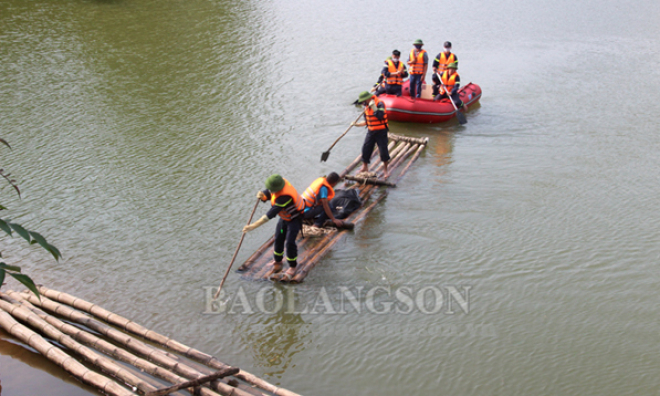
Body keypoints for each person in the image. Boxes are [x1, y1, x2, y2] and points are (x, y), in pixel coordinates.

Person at [243, 174, 305, 280]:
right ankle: (278, 260)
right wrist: (263, 195)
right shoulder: (280, 184)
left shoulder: (284, 197)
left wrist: (253, 226)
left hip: (294, 220)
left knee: (290, 242)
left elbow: (269, 215)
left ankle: (293, 266)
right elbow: (269, 191)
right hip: (284, 218)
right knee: (279, 238)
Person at [353, 91, 390, 177]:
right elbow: (367, 122)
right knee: (366, 148)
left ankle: (385, 170)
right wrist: (356, 124)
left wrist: (374, 107)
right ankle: (365, 167)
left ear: (368, 98)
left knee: (383, 151)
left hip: (381, 131)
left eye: (364, 101)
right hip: (371, 131)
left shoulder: (380, 103)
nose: (363, 103)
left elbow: (380, 115)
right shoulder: (366, 107)